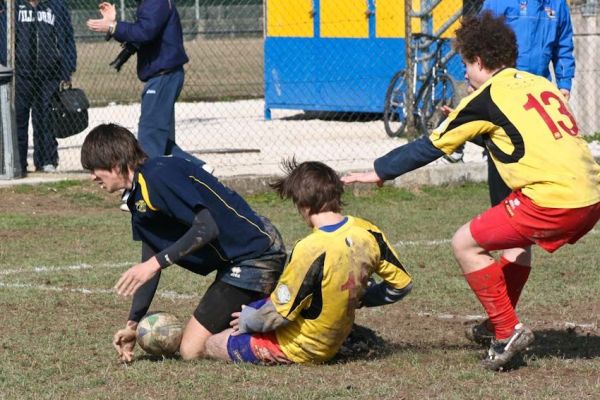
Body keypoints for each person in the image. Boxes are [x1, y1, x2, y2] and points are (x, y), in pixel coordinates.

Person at [342, 12, 600, 370]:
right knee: (515, 244)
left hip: (553, 200)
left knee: (465, 243)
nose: (464, 72)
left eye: (465, 64)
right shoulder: (537, 83)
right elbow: (518, 133)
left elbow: (431, 145)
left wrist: (379, 170)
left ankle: (507, 330)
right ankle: (497, 322)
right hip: (591, 194)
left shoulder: (484, 97)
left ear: (479, 62)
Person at [80, 123, 286, 362]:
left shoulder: (159, 175)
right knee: (194, 345)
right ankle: (260, 311)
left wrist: (155, 264)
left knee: (191, 350)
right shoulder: (136, 197)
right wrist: (133, 324)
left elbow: (206, 227)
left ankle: (279, 331)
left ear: (115, 165)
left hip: (257, 254)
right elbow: (151, 254)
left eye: (95, 169)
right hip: (236, 262)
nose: (92, 176)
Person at [202, 160, 413, 365]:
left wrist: (248, 322)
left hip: (303, 347)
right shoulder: (368, 231)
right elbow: (402, 285)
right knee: (259, 305)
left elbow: (279, 315)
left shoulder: (310, 248)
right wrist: (361, 297)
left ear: (303, 205)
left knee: (212, 343)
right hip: (334, 333)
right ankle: (350, 338)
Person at [86, 1, 201, 166]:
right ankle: (198, 169)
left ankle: (152, 182)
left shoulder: (155, 2)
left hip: (163, 76)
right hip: (163, 76)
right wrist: (112, 24)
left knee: (149, 139)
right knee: (161, 140)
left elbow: (145, 32)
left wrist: (113, 26)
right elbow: (141, 34)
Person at [0, 0, 76, 175]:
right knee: (18, 118)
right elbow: (4, 36)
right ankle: (18, 164)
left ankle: (47, 161)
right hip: (20, 74)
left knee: (46, 118)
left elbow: (67, 38)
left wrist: (67, 69)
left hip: (50, 73)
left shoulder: (56, 6)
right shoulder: (12, 6)